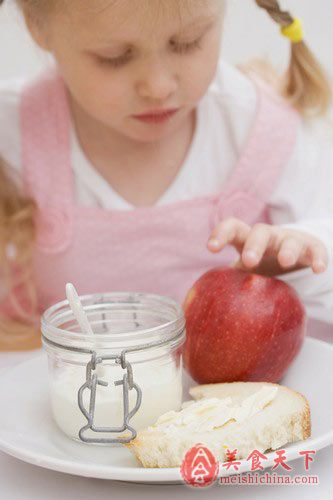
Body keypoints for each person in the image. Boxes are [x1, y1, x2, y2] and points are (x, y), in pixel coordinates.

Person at [0, 0, 332, 350]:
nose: (157, 87)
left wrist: (299, 256)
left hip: (239, 398)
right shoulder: (13, 133)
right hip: (60, 395)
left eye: (187, 43)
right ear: (38, 27)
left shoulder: (261, 129)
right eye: (114, 57)